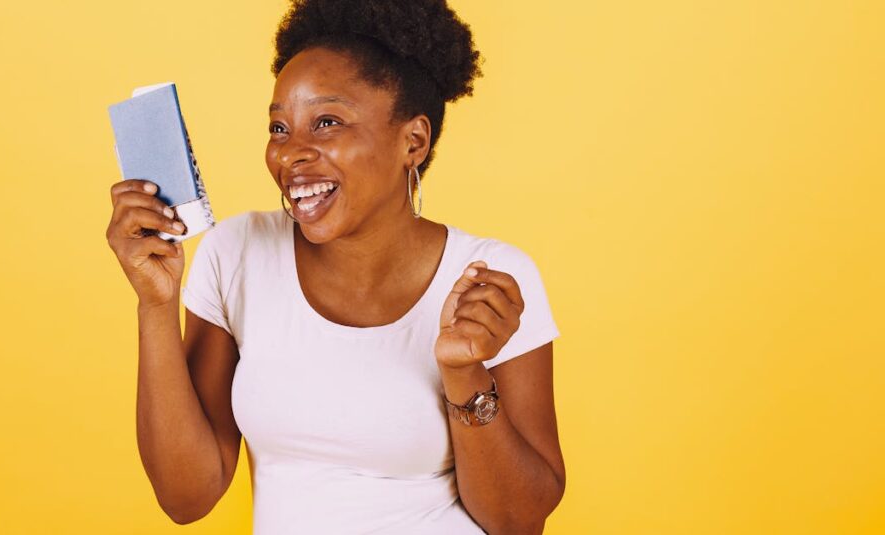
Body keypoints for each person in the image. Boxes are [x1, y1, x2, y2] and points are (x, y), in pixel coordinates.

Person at [105, 1, 565, 532]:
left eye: (326, 122)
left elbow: (519, 519)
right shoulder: (236, 255)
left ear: (413, 141)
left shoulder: (491, 279)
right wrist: (156, 305)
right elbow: (186, 498)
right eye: (279, 128)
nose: (291, 154)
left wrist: (464, 373)